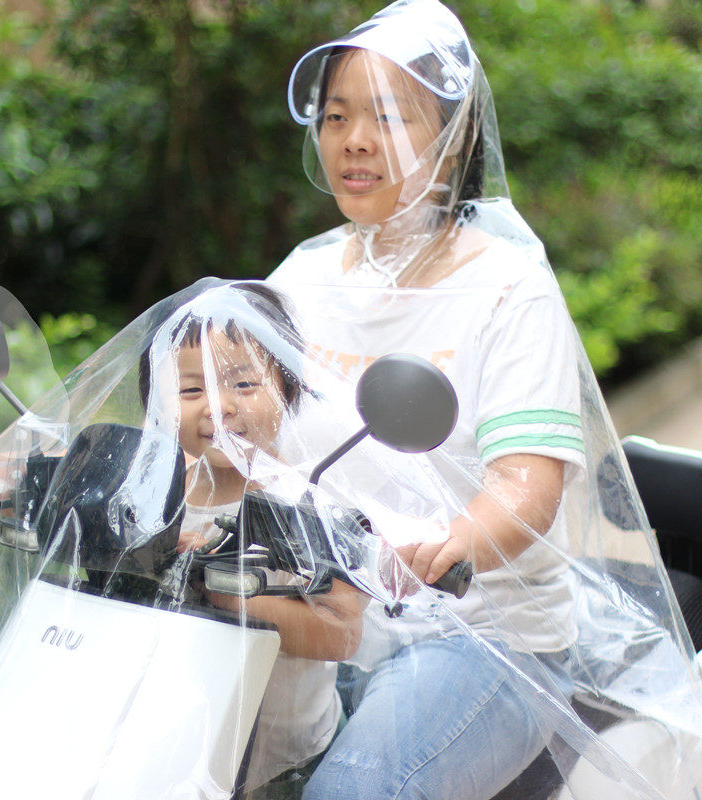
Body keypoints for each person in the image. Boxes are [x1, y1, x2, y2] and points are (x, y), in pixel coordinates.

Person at [267, 1, 586, 797]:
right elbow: (231, 422)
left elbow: (528, 486)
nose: (355, 140)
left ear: (452, 145)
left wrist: (451, 546)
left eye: (388, 117)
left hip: (481, 632)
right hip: (326, 615)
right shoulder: (297, 281)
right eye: (337, 116)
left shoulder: (507, 288)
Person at [138, 281, 365, 797]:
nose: (218, 409)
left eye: (242, 385)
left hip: (283, 764)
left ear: (286, 387)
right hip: (171, 753)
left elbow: (343, 633)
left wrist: (226, 592)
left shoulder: (307, 506)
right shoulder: (154, 502)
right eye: (191, 391)